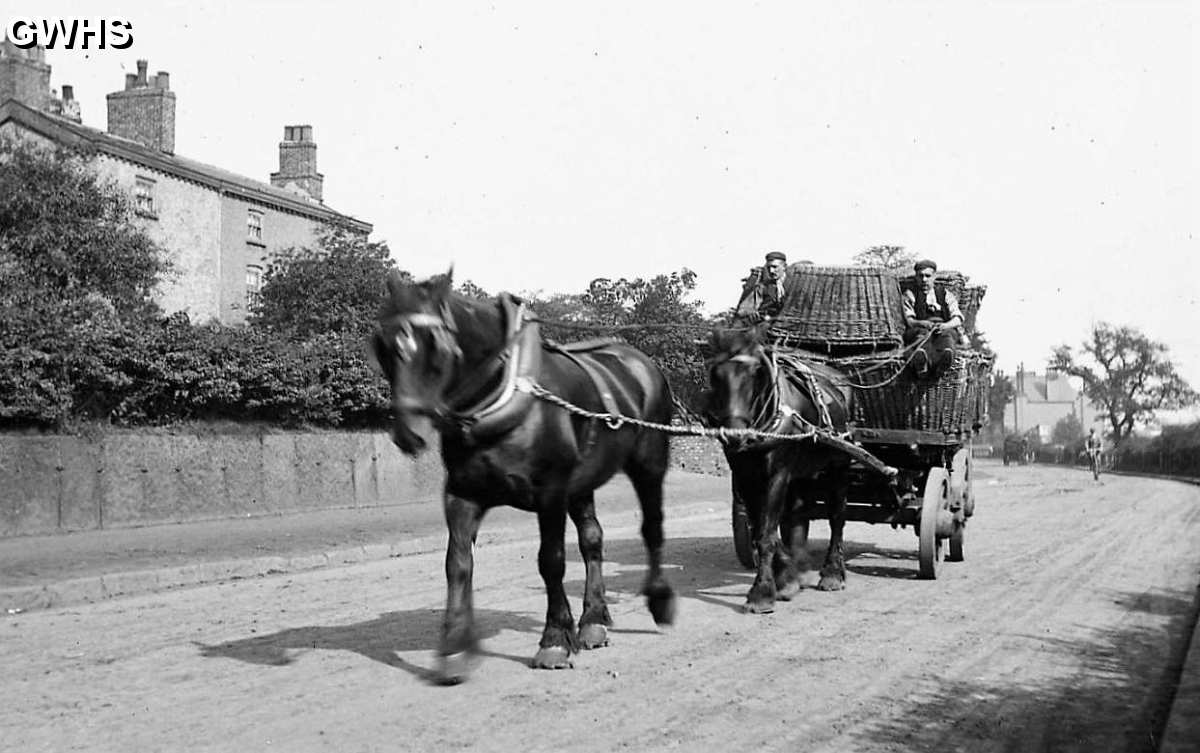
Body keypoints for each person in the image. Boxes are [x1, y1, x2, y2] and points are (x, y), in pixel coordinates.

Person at [902, 258, 963, 378]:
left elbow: (958, 318)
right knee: (921, 337)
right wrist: (922, 323)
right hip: (921, 329)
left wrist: (945, 325)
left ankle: (943, 363)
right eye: (920, 276)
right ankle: (922, 364)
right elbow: (909, 320)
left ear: (934, 277)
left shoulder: (945, 294)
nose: (924, 280)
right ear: (916, 277)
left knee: (947, 336)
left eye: (927, 276)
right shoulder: (910, 295)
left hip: (943, 328)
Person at [735, 251, 789, 324]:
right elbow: (744, 309)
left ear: (784, 267)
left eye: (774, 267)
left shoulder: (793, 284)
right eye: (768, 267)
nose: (771, 271)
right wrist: (750, 312)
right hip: (766, 325)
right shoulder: (763, 287)